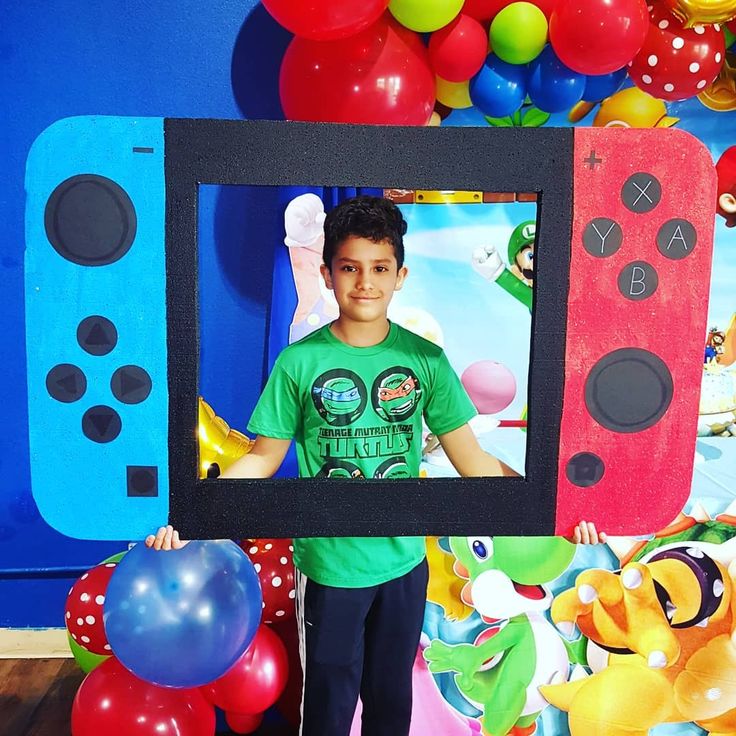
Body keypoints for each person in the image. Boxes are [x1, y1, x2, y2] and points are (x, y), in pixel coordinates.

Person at [147, 195, 604, 736]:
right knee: (329, 701)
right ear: (327, 272)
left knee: (392, 700)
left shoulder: (426, 361)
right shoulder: (300, 362)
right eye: (350, 268)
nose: (365, 282)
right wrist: (191, 516)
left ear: (400, 275)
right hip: (330, 566)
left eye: (379, 268)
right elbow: (262, 460)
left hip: (405, 562)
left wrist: (555, 509)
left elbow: (474, 460)